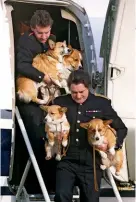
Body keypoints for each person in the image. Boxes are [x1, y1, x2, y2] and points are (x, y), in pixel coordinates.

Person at [53, 70, 128, 202]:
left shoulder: (101, 104)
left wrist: (113, 146)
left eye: (82, 92)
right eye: (74, 92)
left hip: (91, 162)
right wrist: (53, 136)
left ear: (88, 87)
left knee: (91, 199)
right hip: (67, 159)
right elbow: (45, 124)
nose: (78, 96)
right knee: (61, 196)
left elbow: (121, 128)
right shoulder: (60, 102)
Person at [12, 10, 56, 193]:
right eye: (40, 33)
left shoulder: (51, 40)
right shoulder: (25, 42)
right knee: (36, 136)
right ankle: (33, 183)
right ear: (32, 29)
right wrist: (42, 76)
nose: (44, 37)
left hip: (47, 97)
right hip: (31, 98)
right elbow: (21, 65)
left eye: (46, 32)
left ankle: (51, 181)